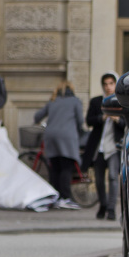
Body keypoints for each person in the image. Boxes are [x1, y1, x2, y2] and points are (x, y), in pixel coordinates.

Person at [34, 81, 86, 209]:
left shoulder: (53, 101)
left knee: (55, 168)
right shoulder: (75, 101)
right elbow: (80, 121)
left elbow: (37, 116)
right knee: (66, 167)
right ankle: (65, 198)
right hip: (67, 137)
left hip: (50, 136)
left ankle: (55, 197)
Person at [82, 72, 126, 221]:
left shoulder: (122, 102)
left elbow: (127, 122)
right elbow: (88, 121)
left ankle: (111, 208)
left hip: (114, 146)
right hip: (99, 147)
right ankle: (103, 204)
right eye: (105, 84)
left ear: (115, 84)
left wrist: (116, 119)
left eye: (111, 84)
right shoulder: (96, 102)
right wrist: (102, 117)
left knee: (114, 177)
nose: (108, 87)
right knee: (99, 179)